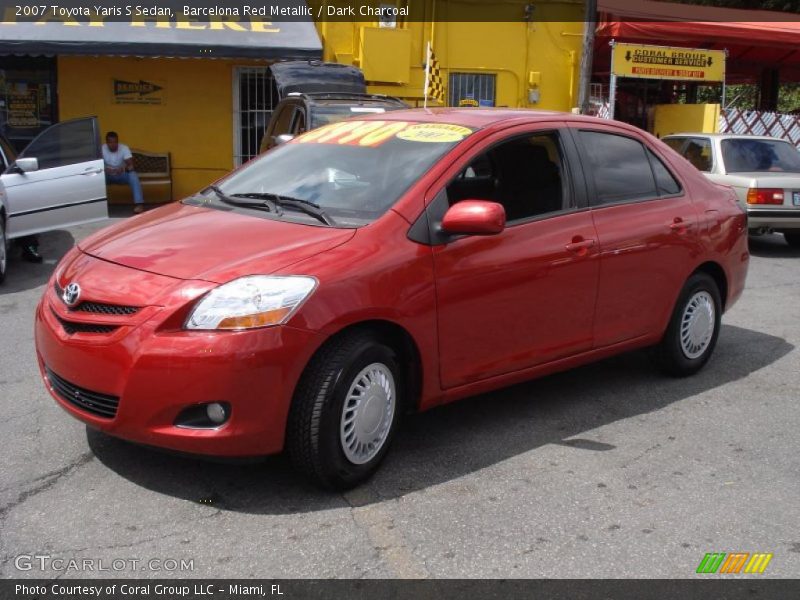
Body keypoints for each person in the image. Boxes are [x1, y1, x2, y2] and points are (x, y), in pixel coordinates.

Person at [102, 131, 144, 213]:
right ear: (107, 143)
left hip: (121, 175)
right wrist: (105, 170)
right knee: (96, 178)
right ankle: (98, 206)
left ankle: (139, 204)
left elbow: (131, 166)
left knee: (133, 176)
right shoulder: (102, 149)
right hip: (107, 175)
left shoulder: (124, 148)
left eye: (115, 142)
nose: (113, 144)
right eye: (110, 142)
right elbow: (96, 165)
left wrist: (122, 169)